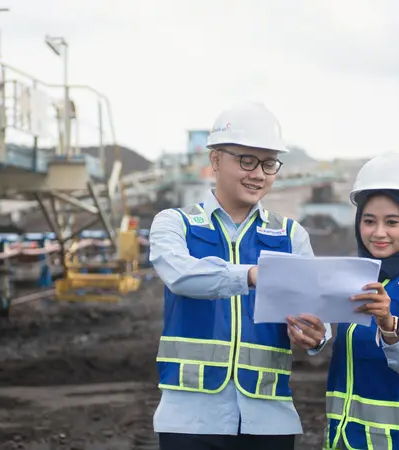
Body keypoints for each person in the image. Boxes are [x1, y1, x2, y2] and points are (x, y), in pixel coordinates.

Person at [149, 101, 332, 450]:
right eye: (246, 160)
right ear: (215, 160)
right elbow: (182, 277)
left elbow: (317, 308)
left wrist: (317, 335)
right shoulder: (175, 223)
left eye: (268, 163)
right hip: (190, 418)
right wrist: (249, 274)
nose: (259, 174)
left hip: (269, 418)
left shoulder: (291, 236)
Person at [287, 154, 399, 449]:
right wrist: (318, 339)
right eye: (369, 221)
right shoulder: (356, 275)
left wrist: (388, 324)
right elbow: (346, 342)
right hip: (351, 441)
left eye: (392, 222)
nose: (379, 232)